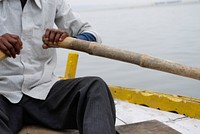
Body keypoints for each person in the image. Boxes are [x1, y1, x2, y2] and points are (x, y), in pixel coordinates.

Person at [0, 0, 116, 134]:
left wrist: (66, 38)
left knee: (95, 87)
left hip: (43, 91)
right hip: (3, 94)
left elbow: (92, 35)